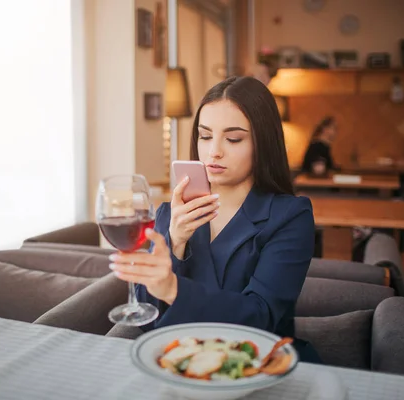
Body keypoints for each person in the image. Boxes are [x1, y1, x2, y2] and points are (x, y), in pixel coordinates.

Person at [108, 76, 321, 363]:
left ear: (263, 143)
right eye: (205, 136)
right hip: (180, 360)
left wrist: (174, 288)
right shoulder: (171, 213)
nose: (214, 151)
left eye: (233, 138)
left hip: (254, 364)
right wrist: (175, 243)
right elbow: (146, 320)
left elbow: (261, 318)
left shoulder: (290, 217)